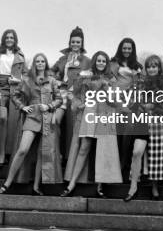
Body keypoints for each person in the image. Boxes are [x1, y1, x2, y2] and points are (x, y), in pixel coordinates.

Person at [0, 53, 63, 195]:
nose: (40, 63)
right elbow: (15, 95)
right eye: (37, 61)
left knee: (42, 153)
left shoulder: (52, 80)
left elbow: (59, 99)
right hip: (32, 117)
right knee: (22, 150)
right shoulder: (27, 79)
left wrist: (50, 106)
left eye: (42, 61)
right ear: (34, 64)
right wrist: (22, 107)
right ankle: (7, 182)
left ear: (46, 64)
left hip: (47, 118)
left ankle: (35, 186)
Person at [60, 51, 122, 198]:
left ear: (107, 64)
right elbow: (73, 94)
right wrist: (79, 104)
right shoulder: (85, 76)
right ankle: (72, 183)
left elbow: (115, 102)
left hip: (105, 115)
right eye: (98, 61)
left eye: (103, 61)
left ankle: (100, 185)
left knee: (103, 151)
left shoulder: (111, 79)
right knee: (84, 148)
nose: (101, 63)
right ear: (95, 61)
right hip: (89, 113)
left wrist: (107, 91)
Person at [51, 27, 92, 157]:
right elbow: (51, 71)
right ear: (69, 42)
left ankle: (70, 157)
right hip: (62, 93)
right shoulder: (63, 59)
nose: (75, 44)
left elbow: (92, 76)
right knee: (55, 121)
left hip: (77, 95)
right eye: (73, 42)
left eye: (78, 42)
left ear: (82, 44)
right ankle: (56, 153)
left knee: (73, 127)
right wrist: (55, 80)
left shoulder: (87, 60)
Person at [110, 38, 143, 183]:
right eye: (124, 48)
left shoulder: (136, 65)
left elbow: (139, 85)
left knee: (128, 130)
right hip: (115, 100)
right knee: (116, 131)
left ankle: (124, 162)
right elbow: (110, 81)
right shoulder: (114, 62)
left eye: (129, 48)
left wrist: (131, 101)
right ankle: (114, 164)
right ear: (120, 48)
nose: (127, 51)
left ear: (133, 49)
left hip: (130, 102)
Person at [0, 29, 27, 164]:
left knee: (13, 121)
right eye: (7, 37)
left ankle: (9, 153)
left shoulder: (20, 55)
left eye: (12, 37)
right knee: (2, 118)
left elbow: (26, 75)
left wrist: (18, 81)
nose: (9, 39)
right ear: (3, 39)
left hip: (14, 86)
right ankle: (0, 152)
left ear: (15, 39)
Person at [145, 55, 163, 200]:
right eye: (149, 66)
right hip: (143, 119)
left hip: (160, 119)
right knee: (147, 151)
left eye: (154, 66)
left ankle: (156, 184)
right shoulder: (142, 82)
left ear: (159, 68)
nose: (152, 69)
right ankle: (148, 182)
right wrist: (145, 106)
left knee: (159, 151)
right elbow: (137, 100)